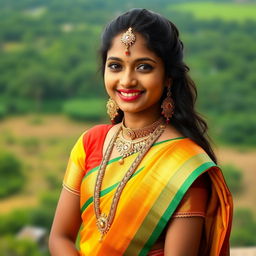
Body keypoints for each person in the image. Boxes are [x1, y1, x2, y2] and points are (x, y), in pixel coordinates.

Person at [49, 8, 233, 256]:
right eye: (115, 66)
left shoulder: (185, 166)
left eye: (144, 67)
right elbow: (60, 238)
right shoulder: (90, 142)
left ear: (168, 77)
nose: (126, 80)